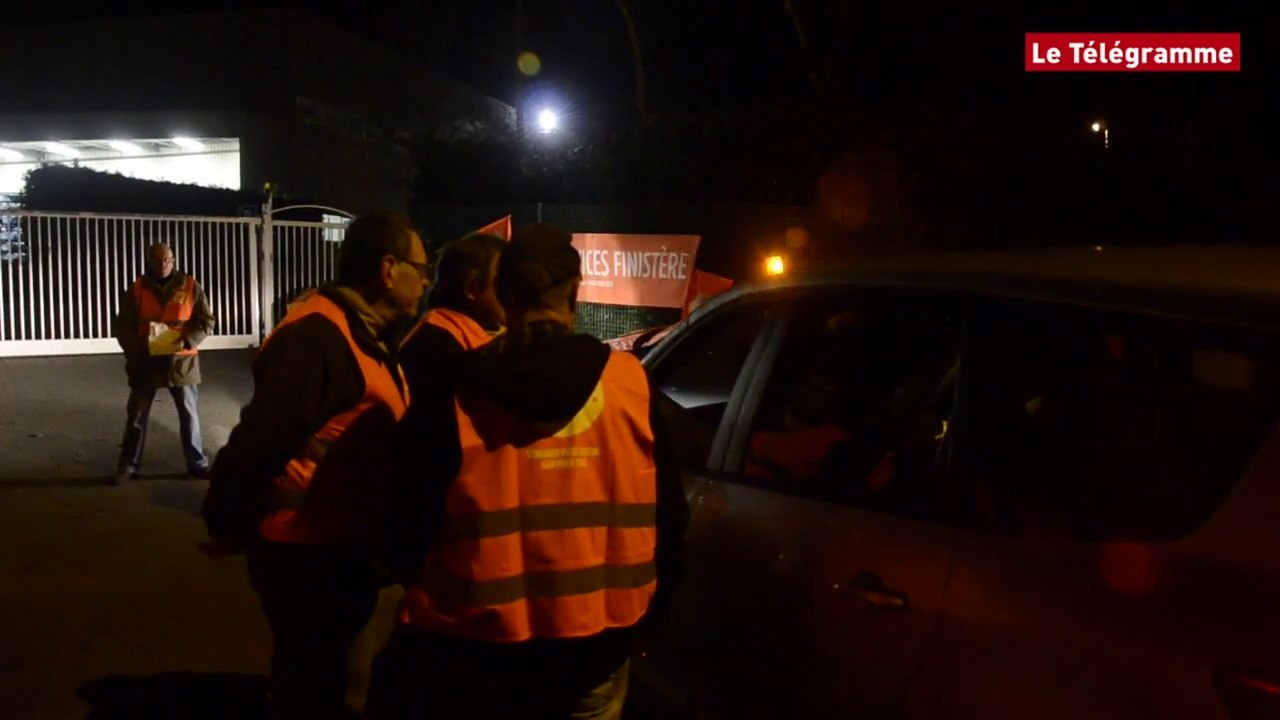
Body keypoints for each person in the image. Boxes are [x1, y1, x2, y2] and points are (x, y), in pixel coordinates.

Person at [367, 223, 689, 719]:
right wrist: (649, 622)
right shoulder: (633, 386)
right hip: (598, 648)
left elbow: (404, 520)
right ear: (574, 293)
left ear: (503, 296)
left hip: (475, 648)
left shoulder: (452, 389)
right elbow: (670, 518)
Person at [201, 211, 427, 720]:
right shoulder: (318, 337)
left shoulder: (363, 332)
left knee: (333, 679)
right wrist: (226, 519)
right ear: (388, 269)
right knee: (314, 686)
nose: (426, 281)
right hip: (305, 551)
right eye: (420, 268)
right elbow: (260, 440)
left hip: (339, 546)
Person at [112, 242, 216, 484]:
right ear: (149, 261)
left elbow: (206, 320)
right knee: (137, 416)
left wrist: (189, 340)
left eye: (168, 260)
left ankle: (197, 464)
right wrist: (135, 350)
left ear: (174, 260)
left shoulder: (190, 285)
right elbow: (123, 325)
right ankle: (128, 465)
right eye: (159, 261)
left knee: (189, 415)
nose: (163, 265)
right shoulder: (137, 288)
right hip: (146, 360)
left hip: (181, 361)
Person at [398, 231, 506, 402]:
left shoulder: (460, 333)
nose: (512, 289)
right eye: (503, 280)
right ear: (471, 286)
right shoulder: (435, 343)